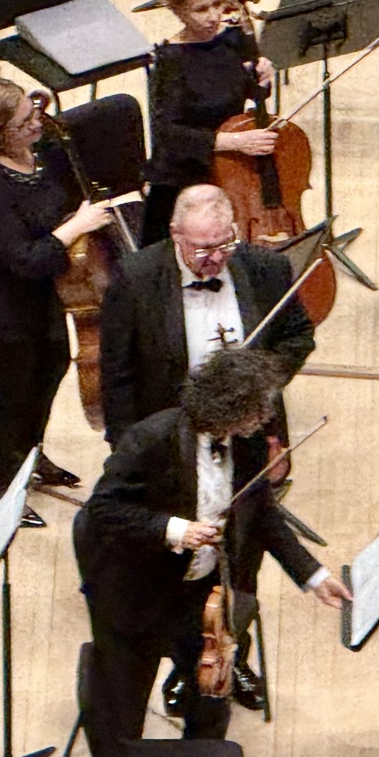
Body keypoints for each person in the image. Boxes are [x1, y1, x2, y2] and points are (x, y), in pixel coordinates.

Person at [75, 347, 349, 757]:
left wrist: (313, 575)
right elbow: (104, 510)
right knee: (120, 713)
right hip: (131, 593)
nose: (262, 421)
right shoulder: (150, 439)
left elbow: (264, 514)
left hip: (198, 594)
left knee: (211, 692)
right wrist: (174, 530)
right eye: (254, 410)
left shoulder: (243, 446)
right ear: (224, 407)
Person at [100, 183, 314, 711]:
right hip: (168, 448)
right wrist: (127, 449)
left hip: (243, 436)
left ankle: (232, 655)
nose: (215, 259)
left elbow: (298, 338)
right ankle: (183, 662)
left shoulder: (265, 270)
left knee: (243, 554)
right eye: (201, 249)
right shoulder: (136, 277)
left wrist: (256, 386)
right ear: (175, 236)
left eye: (224, 245)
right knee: (178, 562)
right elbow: (118, 375)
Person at [0, 78, 112, 527]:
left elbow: (57, 206)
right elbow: (25, 259)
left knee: (50, 370)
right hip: (0, 306)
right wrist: (74, 227)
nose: (36, 122)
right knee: (11, 393)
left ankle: (30, 457)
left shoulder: (37, 157)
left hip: (42, 294)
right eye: (24, 121)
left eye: (33, 112)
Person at [141, 0, 276, 246]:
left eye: (217, 4)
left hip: (232, 168)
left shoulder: (233, 38)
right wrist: (232, 142)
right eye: (201, 9)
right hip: (184, 176)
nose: (213, 16)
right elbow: (168, 135)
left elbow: (254, 94)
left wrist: (264, 80)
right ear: (178, 11)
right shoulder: (170, 61)